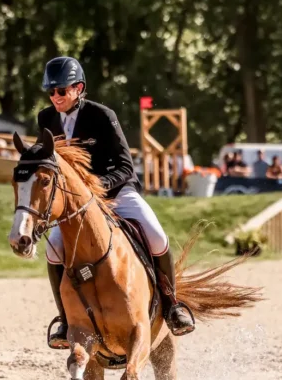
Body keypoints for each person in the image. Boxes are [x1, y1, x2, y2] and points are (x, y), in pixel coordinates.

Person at [37, 56, 195, 350]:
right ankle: (63, 319)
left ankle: (173, 306)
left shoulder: (102, 115)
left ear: (78, 88)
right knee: (53, 249)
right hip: (77, 207)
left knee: (157, 236)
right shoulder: (45, 119)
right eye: (51, 92)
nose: (54, 97)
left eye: (61, 91)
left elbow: (126, 167)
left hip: (117, 193)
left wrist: (96, 188)